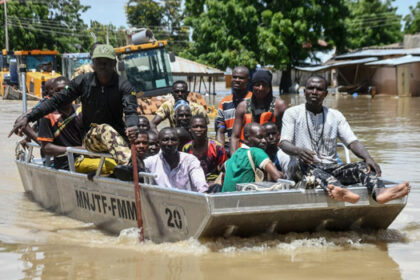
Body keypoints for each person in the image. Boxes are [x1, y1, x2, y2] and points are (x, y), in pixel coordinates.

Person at [279, 75, 410, 204]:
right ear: (304, 92)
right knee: (304, 164)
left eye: (319, 89)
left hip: (329, 167)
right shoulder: (292, 113)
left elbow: (352, 142)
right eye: (310, 88)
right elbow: (284, 143)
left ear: (325, 93)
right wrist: (298, 151)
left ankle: (379, 192)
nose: (314, 92)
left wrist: (368, 158)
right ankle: (339, 189)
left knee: (364, 167)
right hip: (300, 169)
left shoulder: (336, 116)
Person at [10, 44, 139, 167]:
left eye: (106, 62)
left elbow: (131, 111)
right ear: (93, 64)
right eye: (99, 61)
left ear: (114, 64)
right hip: (91, 137)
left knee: (141, 137)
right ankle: (129, 165)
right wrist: (29, 117)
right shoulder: (82, 81)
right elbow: (56, 101)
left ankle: (137, 169)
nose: (102, 66)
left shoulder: (124, 86)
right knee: (105, 129)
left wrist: (133, 126)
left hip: (118, 136)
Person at [230, 70, 287, 155]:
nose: (260, 88)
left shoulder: (280, 106)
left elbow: (287, 135)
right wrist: (234, 159)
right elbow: (235, 137)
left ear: (269, 87)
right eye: (257, 85)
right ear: (252, 86)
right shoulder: (243, 107)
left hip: (273, 152)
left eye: (264, 85)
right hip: (248, 152)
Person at [37, 76, 83, 170]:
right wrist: (74, 150)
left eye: (66, 89)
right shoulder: (47, 115)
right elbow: (46, 148)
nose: (63, 93)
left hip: (88, 157)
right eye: (58, 90)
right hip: (66, 163)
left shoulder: (81, 111)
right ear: (52, 94)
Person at [222, 123, 283, 192]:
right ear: (248, 138)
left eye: (264, 137)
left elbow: (223, 167)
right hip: (245, 199)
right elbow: (277, 176)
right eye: (259, 137)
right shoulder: (256, 151)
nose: (264, 141)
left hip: (225, 199)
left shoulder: (236, 153)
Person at [144, 127, 209, 193]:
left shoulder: (190, 160)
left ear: (178, 142)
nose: (170, 143)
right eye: (165, 140)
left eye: (173, 140)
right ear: (159, 143)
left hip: (186, 201)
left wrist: (203, 193)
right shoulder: (150, 162)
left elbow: (200, 183)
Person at [215, 66, 253, 152]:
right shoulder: (224, 102)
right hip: (231, 147)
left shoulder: (253, 100)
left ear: (248, 80)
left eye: (241, 78)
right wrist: (220, 151)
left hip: (249, 148)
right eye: (234, 77)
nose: (237, 80)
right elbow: (220, 130)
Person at [182, 115, 228, 183]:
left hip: (214, 184)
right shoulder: (186, 148)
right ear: (190, 129)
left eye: (202, 127)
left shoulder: (217, 147)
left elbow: (225, 169)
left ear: (206, 128)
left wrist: (217, 182)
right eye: (195, 127)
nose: (199, 129)